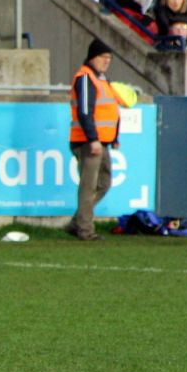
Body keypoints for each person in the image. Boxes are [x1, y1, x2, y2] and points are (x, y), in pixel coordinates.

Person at [66, 38, 127, 241]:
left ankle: (78, 222)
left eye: (109, 58)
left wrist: (115, 135)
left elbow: (110, 110)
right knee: (89, 186)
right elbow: (85, 111)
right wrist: (92, 139)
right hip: (88, 141)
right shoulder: (85, 78)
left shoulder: (100, 79)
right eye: (103, 57)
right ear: (92, 57)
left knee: (104, 182)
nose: (106, 61)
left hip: (102, 141)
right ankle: (85, 230)